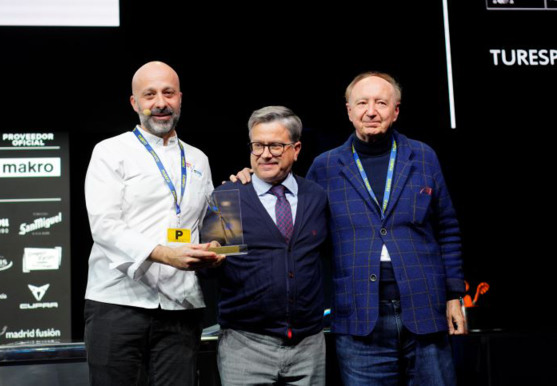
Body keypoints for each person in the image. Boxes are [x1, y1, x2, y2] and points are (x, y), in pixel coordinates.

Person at [233, 72, 466, 385]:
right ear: (349, 111)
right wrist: (252, 179)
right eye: (362, 103)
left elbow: (447, 228)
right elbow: (291, 218)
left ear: (395, 110)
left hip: (425, 309)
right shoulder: (326, 167)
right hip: (358, 315)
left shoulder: (423, 157)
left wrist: (454, 296)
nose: (371, 111)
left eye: (381, 103)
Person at [84, 61, 224, 386]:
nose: (160, 103)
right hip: (117, 301)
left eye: (168, 93)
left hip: (181, 305)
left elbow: (208, 225)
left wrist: (216, 244)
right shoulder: (110, 151)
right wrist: (165, 254)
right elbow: (105, 225)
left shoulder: (198, 159)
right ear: (135, 103)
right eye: (150, 95)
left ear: (180, 99)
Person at [211, 106, 328, 385]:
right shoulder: (229, 197)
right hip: (245, 347)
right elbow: (212, 262)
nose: (265, 154)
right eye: (257, 145)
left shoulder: (316, 196)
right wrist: (210, 257)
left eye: (275, 145)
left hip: (308, 347)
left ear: (296, 148)